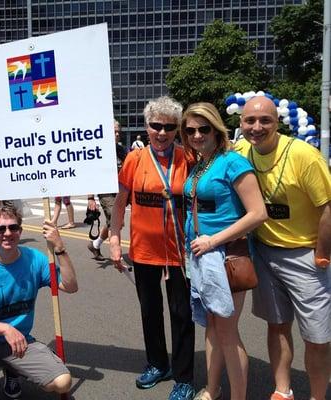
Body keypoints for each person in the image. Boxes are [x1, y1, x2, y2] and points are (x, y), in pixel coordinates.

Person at [235, 96, 331, 400]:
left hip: (307, 256)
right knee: (277, 325)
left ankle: (317, 396)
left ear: (278, 122)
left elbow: (328, 208)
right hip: (265, 252)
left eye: (265, 121)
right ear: (241, 123)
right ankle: (282, 390)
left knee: (316, 337)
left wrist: (322, 253)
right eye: (250, 121)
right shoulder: (241, 151)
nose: (257, 127)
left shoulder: (304, 155)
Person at [109, 96, 195, 400]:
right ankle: (158, 363)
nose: (162, 132)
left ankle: (184, 377)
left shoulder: (188, 158)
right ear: (147, 127)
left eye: (169, 127)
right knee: (150, 311)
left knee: (182, 313)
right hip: (144, 250)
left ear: (177, 129)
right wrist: (115, 239)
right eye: (156, 125)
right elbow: (121, 202)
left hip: (179, 253)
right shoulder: (134, 160)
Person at [180, 103, 267, 400]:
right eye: (190, 130)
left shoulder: (233, 162)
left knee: (227, 331)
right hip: (201, 255)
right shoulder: (200, 164)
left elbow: (257, 213)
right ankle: (212, 389)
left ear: (217, 130)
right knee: (212, 327)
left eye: (203, 129)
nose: (196, 135)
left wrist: (213, 240)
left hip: (226, 255)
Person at [0, 205, 78, 400]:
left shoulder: (35, 259)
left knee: (62, 383)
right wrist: (4, 328)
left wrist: (60, 248)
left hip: (19, 342)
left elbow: (69, 286)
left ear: (20, 231)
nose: (7, 233)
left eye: (13, 228)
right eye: (0, 229)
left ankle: (12, 368)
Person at [87, 119, 127, 260]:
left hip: (120, 190)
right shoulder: (98, 150)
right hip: (105, 190)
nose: (117, 135)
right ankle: (117, 254)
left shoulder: (121, 150)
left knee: (112, 221)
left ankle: (95, 244)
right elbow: (90, 173)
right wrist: (90, 197)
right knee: (117, 221)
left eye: (118, 132)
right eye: (114, 132)